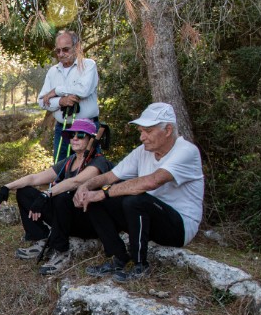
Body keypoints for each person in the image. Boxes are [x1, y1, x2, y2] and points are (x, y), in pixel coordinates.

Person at [73, 103, 204, 282]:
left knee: (135, 200)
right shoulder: (144, 152)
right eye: (141, 131)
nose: (142, 137)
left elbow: (152, 181)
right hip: (149, 218)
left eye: (148, 131)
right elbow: (110, 176)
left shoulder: (186, 151)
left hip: (179, 227)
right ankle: (118, 256)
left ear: (168, 130)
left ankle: (140, 265)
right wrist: (86, 187)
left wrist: (104, 192)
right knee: (95, 198)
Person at [0, 119, 112, 275]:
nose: (75, 138)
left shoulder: (99, 162)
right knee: (25, 191)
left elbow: (75, 181)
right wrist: (7, 187)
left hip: (86, 220)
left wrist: (46, 194)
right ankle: (41, 238)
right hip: (65, 217)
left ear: (91, 139)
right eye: (72, 135)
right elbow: (35, 178)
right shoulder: (69, 162)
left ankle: (61, 251)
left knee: (62, 196)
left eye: (80, 135)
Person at [38, 30, 99, 163]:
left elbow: (83, 90)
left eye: (65, 49)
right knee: (60, 167)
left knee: (89, 167)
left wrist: (56, 91)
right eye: (58, 51)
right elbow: (42, 102)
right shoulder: (52, 71)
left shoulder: (88, 65)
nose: (61, 54)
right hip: (63, 127)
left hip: (87, 127)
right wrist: (61, 101)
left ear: (76, 47)